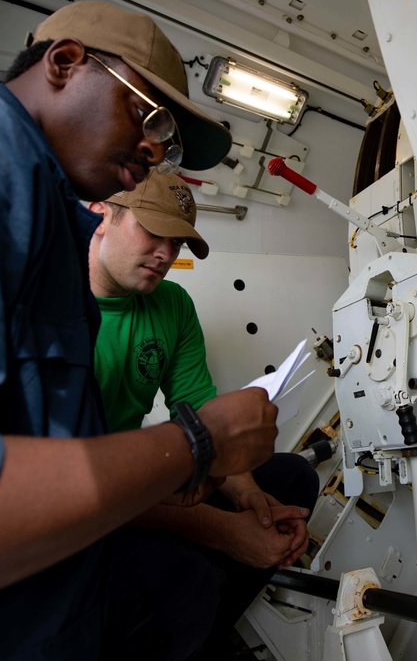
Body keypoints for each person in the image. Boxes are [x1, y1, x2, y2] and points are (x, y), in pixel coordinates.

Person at [0, 0, 278, 660]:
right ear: (65, 62)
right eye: (146, 115)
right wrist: (198, 443)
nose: (154, 150)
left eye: (169, 141)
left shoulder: (48, 227)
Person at [87, 173, 320, 659]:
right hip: (82, 499)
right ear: (102, 214)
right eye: (153, 232)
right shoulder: (62, 310)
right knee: (185, 579)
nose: (166, 254)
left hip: (139, 474)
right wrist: (226, 533)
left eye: (177, 243)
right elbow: (87, 490)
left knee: (292, 481)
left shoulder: (171, 304)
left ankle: (200, 631)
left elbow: (201, 418)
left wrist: (253, 503)